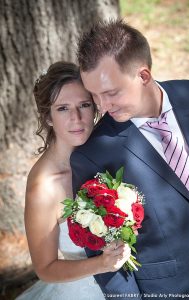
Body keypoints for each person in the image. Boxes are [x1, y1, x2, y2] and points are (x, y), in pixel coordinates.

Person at [70, 19, 189, 299]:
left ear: (143, 76)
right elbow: (107, 262)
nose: (102, 106)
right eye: (94, 95)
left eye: (110, 92)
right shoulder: (93, 155)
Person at [16, 61, 131, 300]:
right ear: (48, 117)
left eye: (84, 105)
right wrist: (103, 264)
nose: (76, 118)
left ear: (96, 107)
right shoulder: (44, 188)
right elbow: (45, 269)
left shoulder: (112, 151)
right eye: (63, 109)